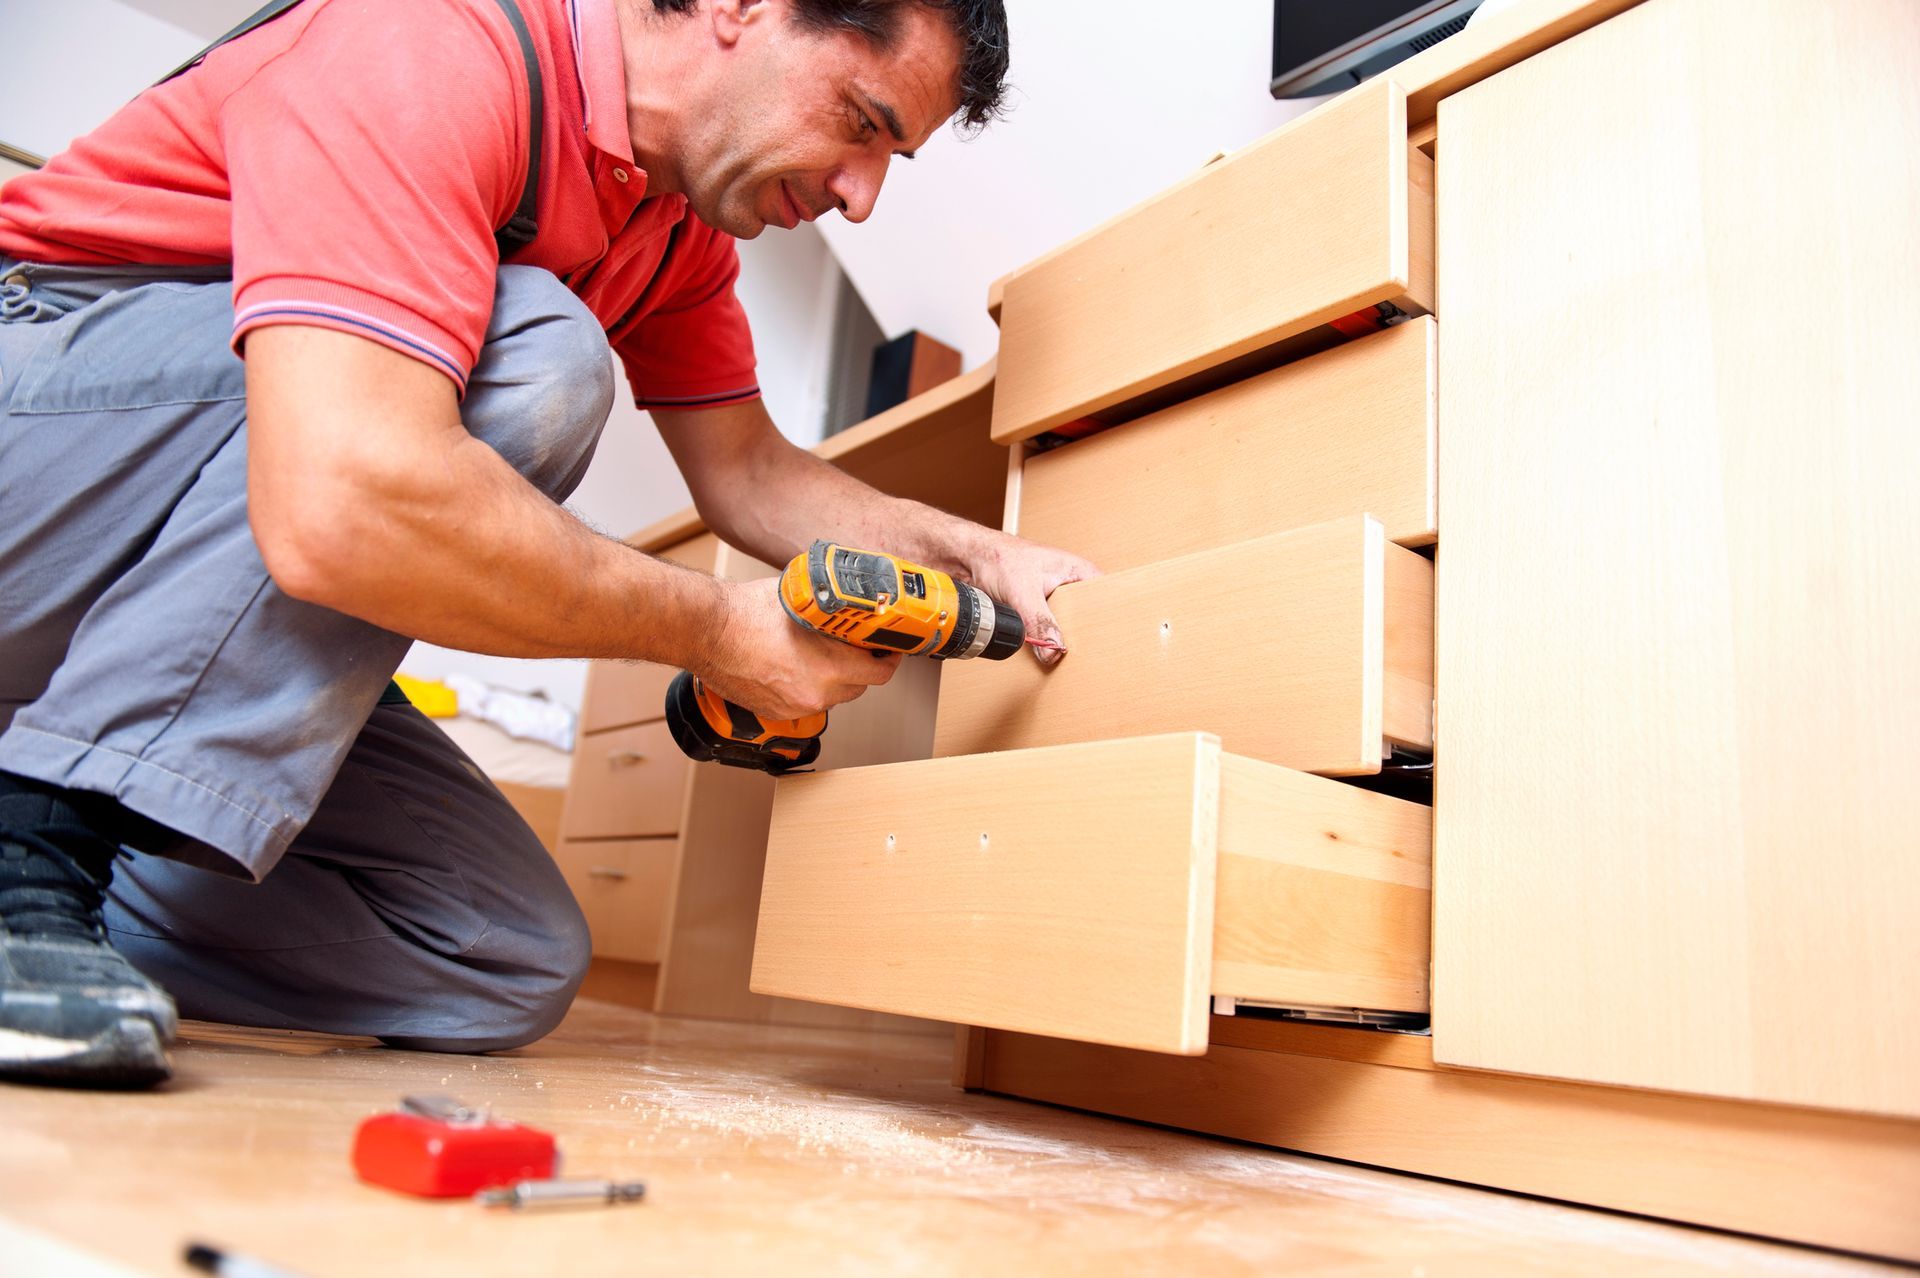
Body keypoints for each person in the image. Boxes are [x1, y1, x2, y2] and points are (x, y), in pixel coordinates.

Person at [0, 0, 1094, 1088]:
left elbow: (751, 474)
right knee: (533, 357)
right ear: (738, 8)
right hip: (42, 432)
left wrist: (983, 555)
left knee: (495, 954)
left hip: (129, 585)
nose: (862, 196)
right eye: (863, 122)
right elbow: (341, 500)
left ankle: (57, 891)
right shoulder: (432, 42)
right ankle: (28, 860)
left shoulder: (673, 228)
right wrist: (715, 630)